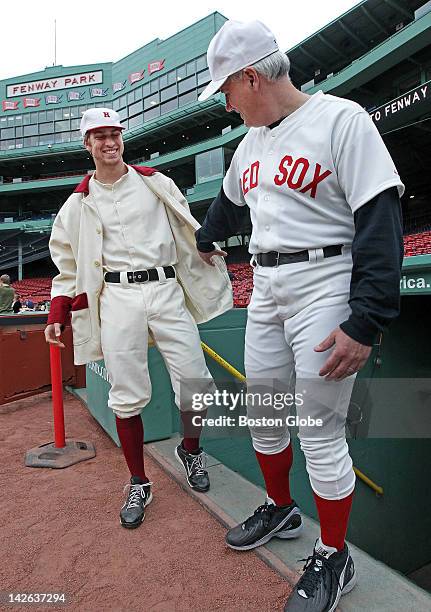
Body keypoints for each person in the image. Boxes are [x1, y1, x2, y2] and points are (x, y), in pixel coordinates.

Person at [196, 20, 404, 612]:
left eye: (228, 91)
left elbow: (381, 220)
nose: (228, 104)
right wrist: (206, 239)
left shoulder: (342, 121)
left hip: (327, 282)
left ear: (251, 77)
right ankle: (282, 508)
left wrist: (365, 321)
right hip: (266, 284)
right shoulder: (251, 143)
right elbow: (229, 205)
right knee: (264, 413)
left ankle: (335, 556)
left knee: (318, 430)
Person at [44, 107, 232, 530]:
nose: (110, 142)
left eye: (115, 134)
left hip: (165, 289)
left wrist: (205, 246)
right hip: (118, 296)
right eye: (100, 136)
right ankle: (139, 481)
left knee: (197, 385)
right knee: (126, 394)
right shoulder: (76, 204)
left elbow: (187, 228)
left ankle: (191, 450)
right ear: (87, 144)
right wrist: (58, 310)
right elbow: (67, 266)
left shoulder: (154, 182)